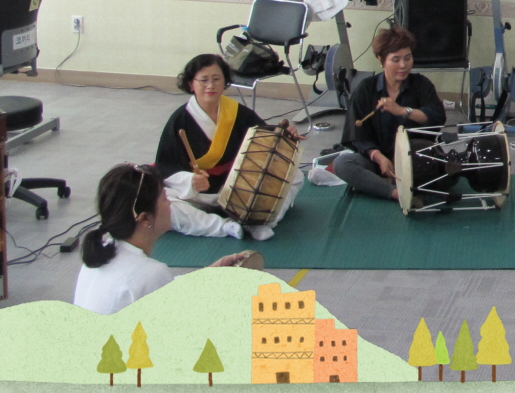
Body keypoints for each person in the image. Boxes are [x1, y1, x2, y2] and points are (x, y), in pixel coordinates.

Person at [154, 54, 302, 242]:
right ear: (191, 84)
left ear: (225, 82)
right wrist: (190, 180)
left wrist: (284, 134)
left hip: (240, 187)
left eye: (216, 79)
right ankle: (223, 226)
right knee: (162, 203)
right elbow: (165, 166)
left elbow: (266, 140)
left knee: (294, 174)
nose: (210, 85)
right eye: (204, 80)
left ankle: (257, 221)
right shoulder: (179, 120)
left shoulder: (237, 112)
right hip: (199, 195)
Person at [74, 164, 250, 314]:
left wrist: (209, 274)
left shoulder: (99, 254)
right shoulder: (150, 273)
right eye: (165, 198)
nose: (170, 203)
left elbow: (167, 289)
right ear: (145, 218)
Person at [335, 27, 446, 200]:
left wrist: (402, 110)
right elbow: (358, 135)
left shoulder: (421, 84)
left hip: (415, 159)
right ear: (381, 60)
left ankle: (379, 185)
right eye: (396, 60)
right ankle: (397, 193)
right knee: (342, 163)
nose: (403, 65)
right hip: (379, 161)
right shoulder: (366, 88)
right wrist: (379, 158)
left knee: (442, 172)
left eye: (408, 58)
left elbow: (437, 117)